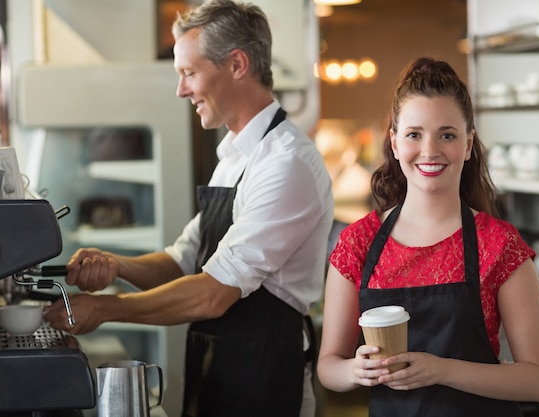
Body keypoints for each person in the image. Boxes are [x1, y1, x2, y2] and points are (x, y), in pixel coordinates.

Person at [44, 1, 334, 416]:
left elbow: (214, 293)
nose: (181, 90)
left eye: (189, 73)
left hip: (268, 381)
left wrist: (107, 308)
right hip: (221, 370)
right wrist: (116, 266)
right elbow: (183, 262)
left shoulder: (286, 164)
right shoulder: (234, 157)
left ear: (236, 64)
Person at [316, 56, 539, 417]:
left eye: (447, 135)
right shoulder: (358, 244)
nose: (430, 151)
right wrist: (354, 370)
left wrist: (443, 370)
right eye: (414, 134)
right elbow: (328, 367)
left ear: (469, 143)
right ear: (395, 143)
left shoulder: (499, 245)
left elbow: (538, 381)